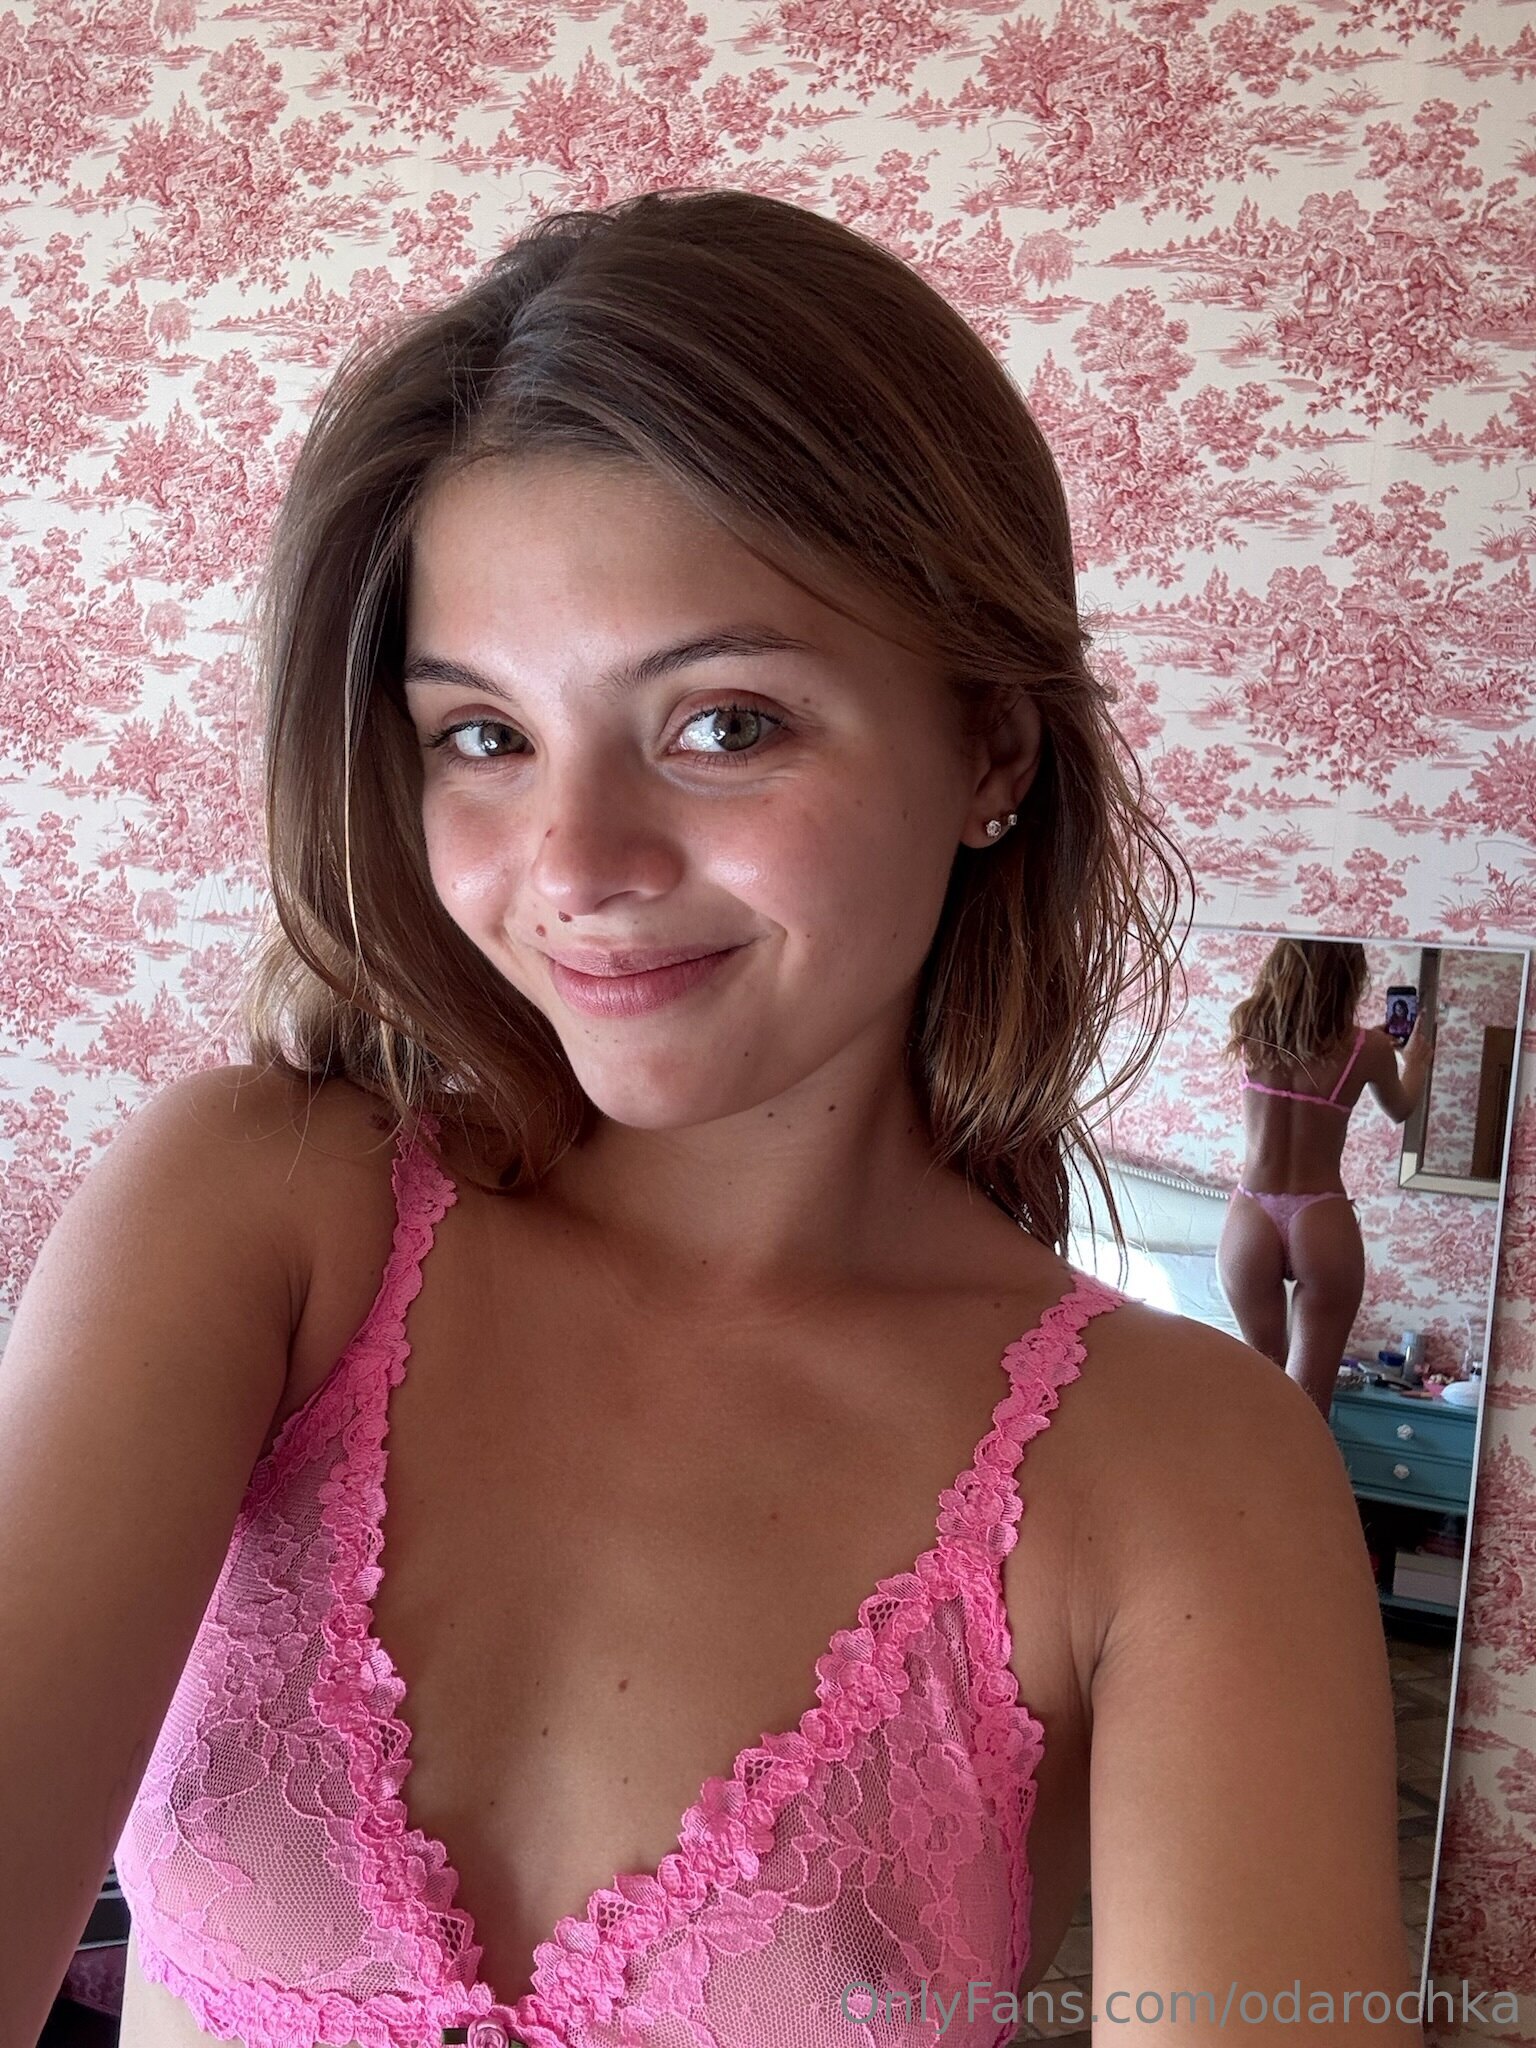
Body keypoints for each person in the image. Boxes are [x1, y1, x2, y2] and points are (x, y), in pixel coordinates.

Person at [2, 190, 1425, 2048]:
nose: (575, 864)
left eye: (726, 723)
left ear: (992, 745)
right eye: (485, 735)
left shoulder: (1182, 1472)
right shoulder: (262, 1216)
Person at [1217, 937, 1434, 1416]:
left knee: (1262, 1385)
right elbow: (1401, 1108)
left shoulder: (1249, 1027)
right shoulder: (1368, 1049)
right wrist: (1416, 1062)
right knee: (1309, 1403)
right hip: (1320, 1214)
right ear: (1350, 979)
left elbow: (1303, 1045)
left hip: (1252, 1213)